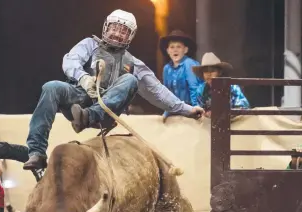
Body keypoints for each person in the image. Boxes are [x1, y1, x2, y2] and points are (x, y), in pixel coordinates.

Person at [23, 9, 204, 170]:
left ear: (130, 36)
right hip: (79, 100)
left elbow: (158, 91)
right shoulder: (89, 44)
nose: (117, 34)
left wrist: (187, 109)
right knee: (51, 87)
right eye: (114, 28)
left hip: (105, 113)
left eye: (123, 31)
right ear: (106, 28)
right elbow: (70, 61)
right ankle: (37, 152)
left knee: (130, 79)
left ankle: (89, 116)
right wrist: (84, 78)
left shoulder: (134, 63)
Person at [158, 30, 203, 122]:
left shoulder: (189, 64)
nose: (175, 50)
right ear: (168, 51)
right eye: (172, 47)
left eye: (179, 47)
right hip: (175, 110)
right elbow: (166, 92)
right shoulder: (166, 69)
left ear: (185, 50)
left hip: (191, 108)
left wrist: (195, 109)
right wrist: (167, 110)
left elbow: (194, 88)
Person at [192, 52, 250, 118]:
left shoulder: (232, 87)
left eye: (212, 70)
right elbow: (199, 110)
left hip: (234, 122)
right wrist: (205, 114)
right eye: (205, 71)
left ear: (219, 72)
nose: (208, 74)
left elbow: (244, 108)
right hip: (208, 124)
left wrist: (224, 113)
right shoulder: (201, 90)